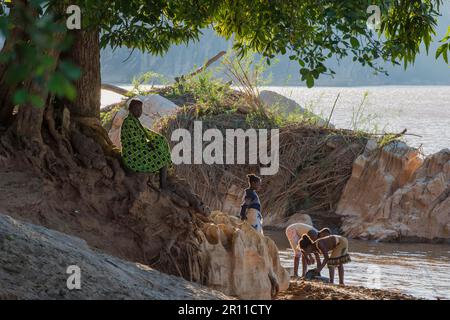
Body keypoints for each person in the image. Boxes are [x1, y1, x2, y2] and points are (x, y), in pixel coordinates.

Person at [120, 99, 171, 189]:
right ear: (130, 109)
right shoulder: (128, 122)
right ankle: (163, 185)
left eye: (140, 109)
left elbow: (145, 133)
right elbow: (134, 141)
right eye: (136, 109)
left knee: (161, 143)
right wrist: (148, 145)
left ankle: (164, 180)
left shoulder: (135, 121)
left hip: (138, 149)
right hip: (132, 154)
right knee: (161, 157)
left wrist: (157, 140)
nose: (139, 112)